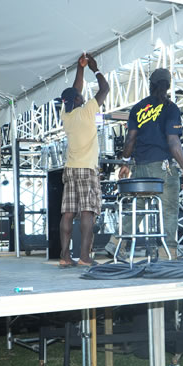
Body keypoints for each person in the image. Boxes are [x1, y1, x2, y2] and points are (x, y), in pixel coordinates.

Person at [110, 68, 183, 260]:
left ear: (150, 85)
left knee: (137, 207)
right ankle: (167, 252)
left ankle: (116, 243)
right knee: (169, 210)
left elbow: (130, 139)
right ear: (168, 86)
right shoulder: (171, 108)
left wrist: (125, 163)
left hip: (140, 167)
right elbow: (173, 141)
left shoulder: (138, 108)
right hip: (162, 168)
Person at [58, 53, 109, 267]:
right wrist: (94, 69)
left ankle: (64, 257)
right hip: (87, 170)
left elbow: (74, 90)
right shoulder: (88, 111)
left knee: (68, 213)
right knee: (87, 213)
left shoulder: (66, 115)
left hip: (70, 170)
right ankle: (85, 258)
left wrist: (80, 68)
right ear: (78, 100)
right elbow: (105, 89)